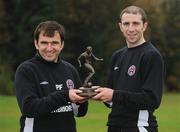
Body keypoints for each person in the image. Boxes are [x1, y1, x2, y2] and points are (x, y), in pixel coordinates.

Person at [93, 6, 164, 132]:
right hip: (113, 126)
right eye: (126, 24)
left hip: (139, 127)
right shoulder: (117, 56)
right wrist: (101, 94)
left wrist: (114, 95)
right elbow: (112, 98)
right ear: (120, 26)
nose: (131, 29)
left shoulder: (151, 55)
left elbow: (152, 99)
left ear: (144, 26)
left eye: (136, 23)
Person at [15, 20, 88, 132]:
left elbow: (80, 112)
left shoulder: (70, 69)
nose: (49, 48)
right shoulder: (26, 70)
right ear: (36, 44)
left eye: (54, 43)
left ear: (62, 45)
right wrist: (66, 96)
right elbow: (29, 108)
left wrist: (81, 100)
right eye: (44, 43)